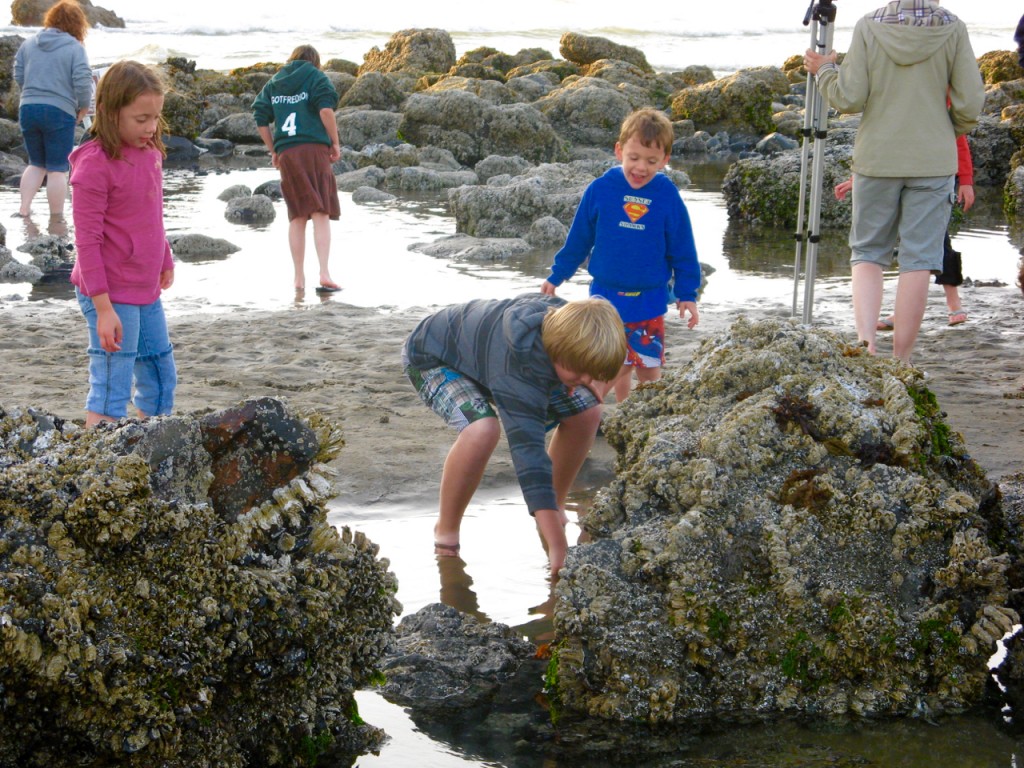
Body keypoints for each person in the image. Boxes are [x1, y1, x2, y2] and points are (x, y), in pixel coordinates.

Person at [804, 0, 984, 363]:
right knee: (918, 260)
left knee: (868, 252)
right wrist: (946, 131)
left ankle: (866, 344)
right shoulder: (953, 27)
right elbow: (971, 103)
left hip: (877, 157)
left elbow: (849, 97)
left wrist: (825, 71)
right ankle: (901, 360)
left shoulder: (870, 26)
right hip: (933, 161)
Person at [403, 294, 627, 576]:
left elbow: (619, 358)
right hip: (434, 357)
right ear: (558, 350)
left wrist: (584, 378)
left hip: (487, 356)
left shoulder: (571, 325)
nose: (586, 378)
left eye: (589, 372)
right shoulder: (518, 370)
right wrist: (558, 547)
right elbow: (528, 456)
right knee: (482, 430)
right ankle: (446, 531)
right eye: (581, 371)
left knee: (588, 412)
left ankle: (554, 507)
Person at [540, 107, 701, 402]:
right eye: (634, 158)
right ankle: (589, 414)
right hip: (605, 298)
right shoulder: (601, 189)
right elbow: (579, 239)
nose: (641, 168)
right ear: (619, 151)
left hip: (649, 299)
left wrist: (687, 293)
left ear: (665, 160)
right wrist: (558, 274)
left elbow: (683, 248)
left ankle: (642, 414)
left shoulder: (667, 195)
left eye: (652, 161)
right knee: (606, 365)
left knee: (648, 368)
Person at [69, 61, 177, 428]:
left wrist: (164, 256)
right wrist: (102, 308)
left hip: (145, 287)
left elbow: (152, 214)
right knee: (112, 383)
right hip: (109, 292)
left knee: (161, 374)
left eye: (156, 118)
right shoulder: (93, 165)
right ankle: (100, 465)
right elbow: (86, 242)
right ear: (110, 113)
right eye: (140, 118)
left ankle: (154, 443)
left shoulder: (151, 155)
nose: (150, 128)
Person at [834, 132, 975, 328]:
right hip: (889, 174)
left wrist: (966, 179)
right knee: (905, 248)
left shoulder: (940, 101)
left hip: (931, 174)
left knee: (934, 241)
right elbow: (879, 134)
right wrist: (858, 177)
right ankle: (902, 313)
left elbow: (958, 135)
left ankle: (952, 301)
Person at [252, 45, 342, 295]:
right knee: (320, 211)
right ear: (315, 61)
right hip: (313, 149)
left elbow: (259, 116)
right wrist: (335, 142)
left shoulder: (275, 81)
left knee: (298, 215)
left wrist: (273, 149)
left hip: (288, 153)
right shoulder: (316, 76)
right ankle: (324, 272)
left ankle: (298, 278)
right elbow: (325, 110)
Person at [13, 0, 92, 220]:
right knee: (58, 168)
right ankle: (56, 217)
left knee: (36, 163)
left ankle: (24, 208)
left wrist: (30, 94)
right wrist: (84, 105)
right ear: (77, 24)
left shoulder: (28, 44)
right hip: (59, 111)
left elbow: (18, 74)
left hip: (27, 107)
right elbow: (83, 79)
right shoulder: (75, 48)